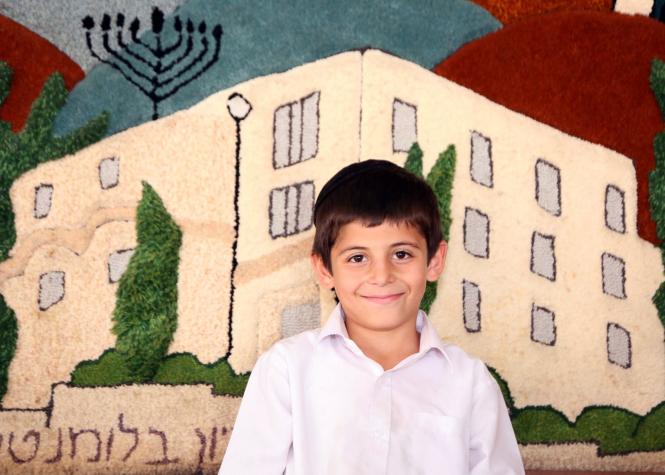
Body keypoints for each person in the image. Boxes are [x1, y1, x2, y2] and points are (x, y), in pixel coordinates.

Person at [219, 159, 524, 474]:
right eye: (358, 257)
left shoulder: (471, 382)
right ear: (325, 270)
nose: (381, 275)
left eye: (402, 254)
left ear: (434, 261)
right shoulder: (286, 370)